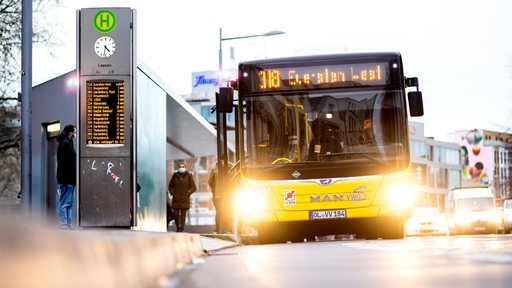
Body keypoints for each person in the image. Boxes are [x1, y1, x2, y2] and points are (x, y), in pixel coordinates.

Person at [56, 124, 77, 229]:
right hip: (67, 178)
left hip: (69, 179)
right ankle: (63, 223)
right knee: (64, 202)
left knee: (69, 203)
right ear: (70, 132)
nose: (75, 134)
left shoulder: (67, 143)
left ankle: (68, 223)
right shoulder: (65, 144)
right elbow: (66, 163)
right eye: (75, 132)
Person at [168, 162, 196, 232]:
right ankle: (178, 226)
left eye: (183, 167)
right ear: (178, 168)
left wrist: (188, 193)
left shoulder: (189, 176)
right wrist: (172, 192)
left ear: (185, 167)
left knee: (183, 215)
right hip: (176, 199)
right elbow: (170, 186)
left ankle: (181, 229)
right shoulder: (175, 175)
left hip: (185, 199)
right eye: (180, 167)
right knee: (176, 214)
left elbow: (193, 187)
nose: (182, 168)